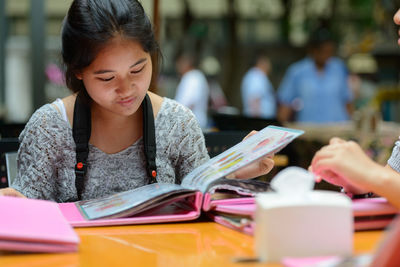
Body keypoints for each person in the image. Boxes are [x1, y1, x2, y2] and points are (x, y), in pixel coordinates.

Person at [0, 0, 274, 201]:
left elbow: (204, 201)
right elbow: (27, 213)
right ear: (77, 72)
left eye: (138, 69)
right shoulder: (50, 127)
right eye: (107, 78)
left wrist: (237, 174)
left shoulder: (177, 123)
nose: (127, 89)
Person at [309, 9, 400, 209]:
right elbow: (394, 179)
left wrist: (371, 174)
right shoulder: (298, 72)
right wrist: (360, 182)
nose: (397, 17)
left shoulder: (338, 69)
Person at [277, 27, 353, 123]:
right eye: (323, 52)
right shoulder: (297, 72)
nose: (327, 56)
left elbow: (347, 101)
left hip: (338, 128)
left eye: (330, 52)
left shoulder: (338, 68)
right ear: (313, 50)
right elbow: (285, 105)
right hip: (308, 131)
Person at [174, 51, 210, 129]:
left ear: (187, 64)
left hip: (190, 124)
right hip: (194, 122)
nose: (178, 66)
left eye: (180, 63)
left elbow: (188, 102)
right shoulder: (196, 76)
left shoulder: (191, 78)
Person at [240, 52, 276, 119]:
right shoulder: (257, 76)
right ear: (262, 63)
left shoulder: (255, 75)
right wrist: (257, 121)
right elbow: (255, 98)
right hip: (259, 119)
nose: (270, 66)